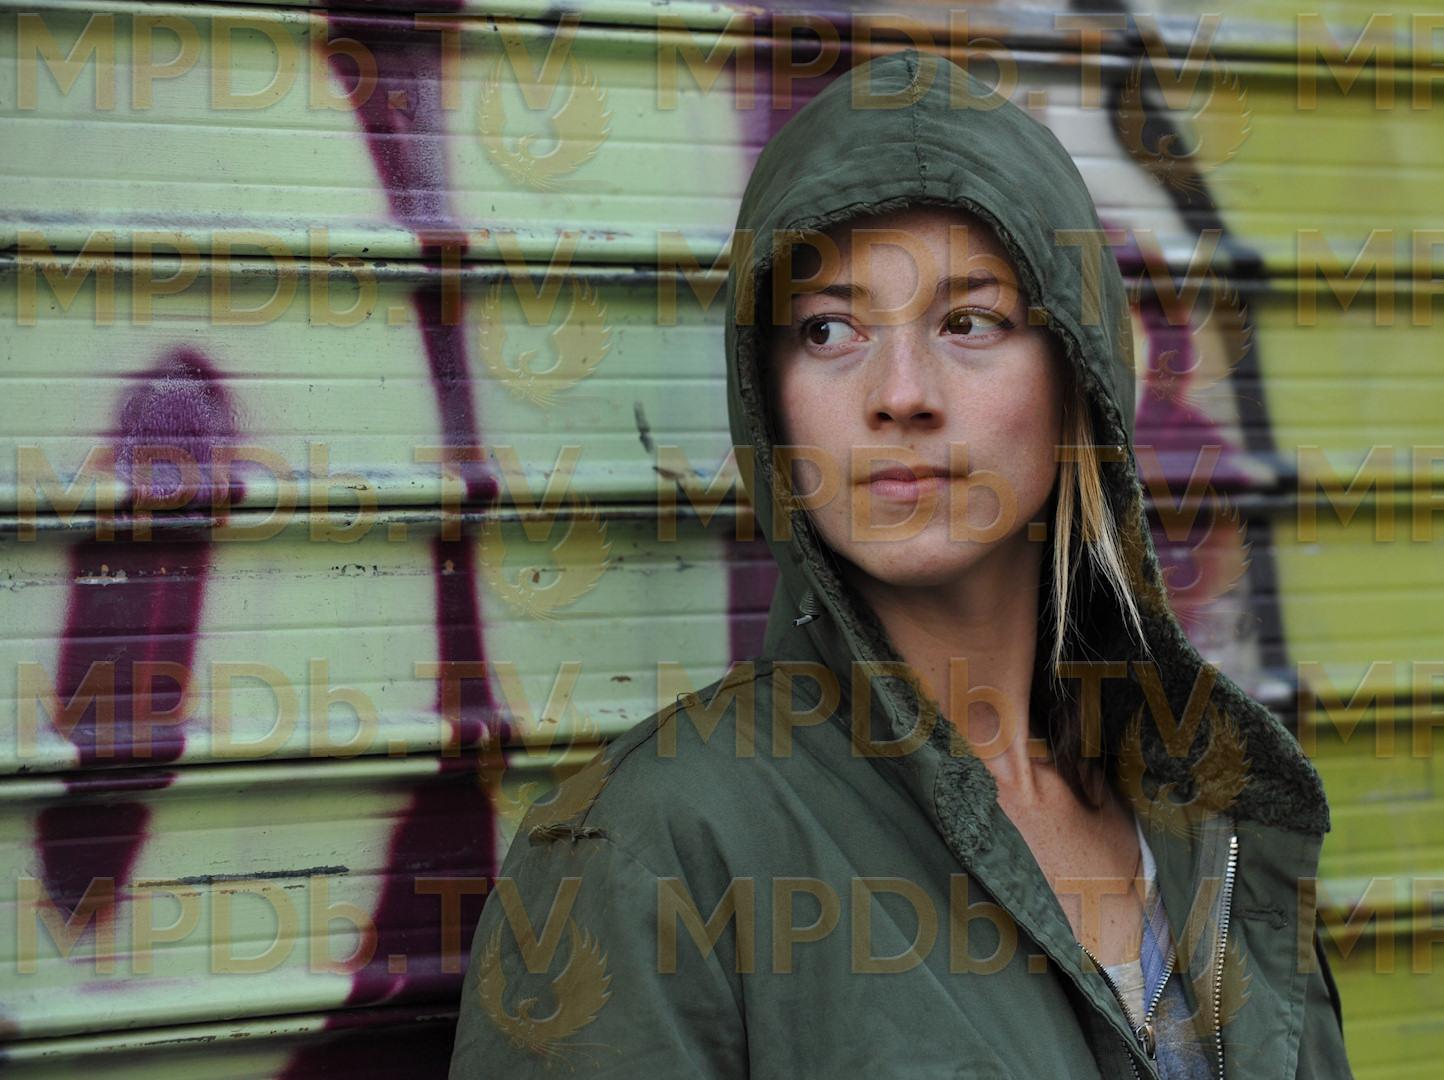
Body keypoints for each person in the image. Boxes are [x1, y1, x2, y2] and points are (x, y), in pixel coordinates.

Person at [451, 48, 1352, 1079]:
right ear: (769, 395)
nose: (902, 393)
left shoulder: (1209, 812)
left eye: (969, 321)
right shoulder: (649, 854)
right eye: (829, 329)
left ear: (1078, 372)